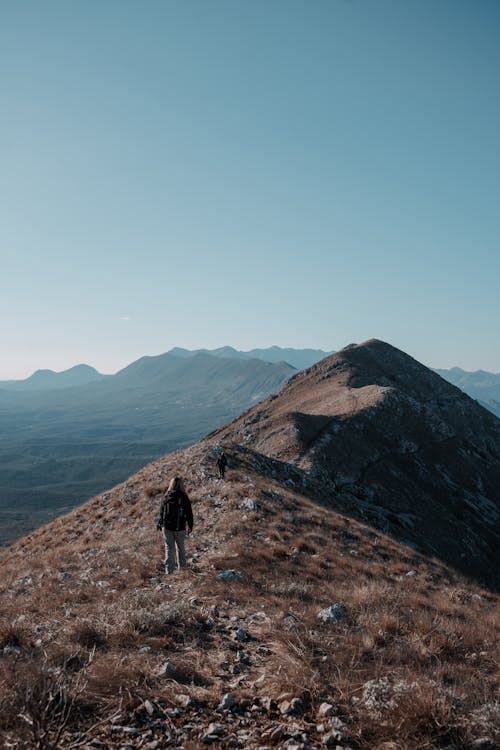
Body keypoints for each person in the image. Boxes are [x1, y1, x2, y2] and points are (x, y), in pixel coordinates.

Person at [156, 477, 193, 574]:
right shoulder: (184, 497)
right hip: (179, 527)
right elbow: (189, 513)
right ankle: (183, 570)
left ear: (171, 484)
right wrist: (190, 525)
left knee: (169, 548)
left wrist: (160, 523)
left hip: (167, 527)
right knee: (181, 549)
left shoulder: (167, 496)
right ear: (181, 485)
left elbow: (161, 511)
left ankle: (169, 571)